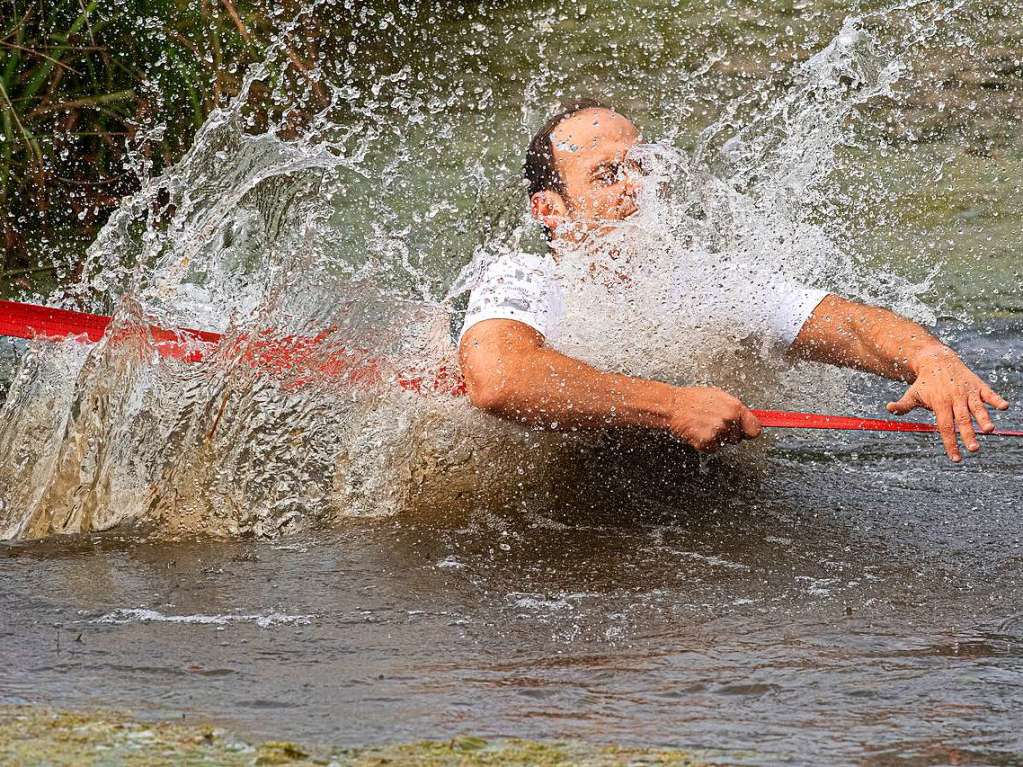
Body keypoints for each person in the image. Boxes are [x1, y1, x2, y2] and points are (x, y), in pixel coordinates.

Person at [457, 101, 1009, 463]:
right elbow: (501, 380)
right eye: (607, 175)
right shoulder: (522, 276)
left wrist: (930, 359)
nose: (635, 188)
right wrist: (671, 406)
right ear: (548, 210)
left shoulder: (703, 279)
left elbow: (846, 323)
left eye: (642, 168)